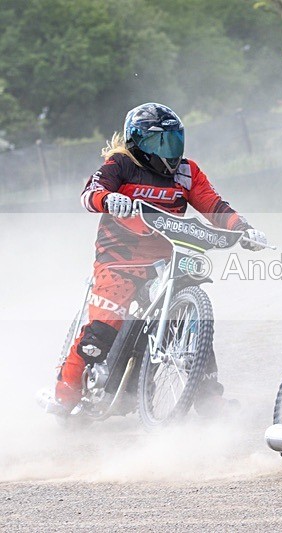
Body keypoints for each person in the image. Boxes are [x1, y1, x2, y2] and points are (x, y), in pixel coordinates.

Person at [45, 102, 269, 417]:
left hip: (168, 260)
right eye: (158, 141)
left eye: (173, 139)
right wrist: (110, 198)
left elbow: (212, 204)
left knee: (192, 325)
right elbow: (90, 192)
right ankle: (64, 395)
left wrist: (243, 229)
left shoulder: (187, 172)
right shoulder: (120, 164)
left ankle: (208, 401)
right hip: (118, 260)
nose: (169, 149)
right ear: (136, 141)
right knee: (100, 332)